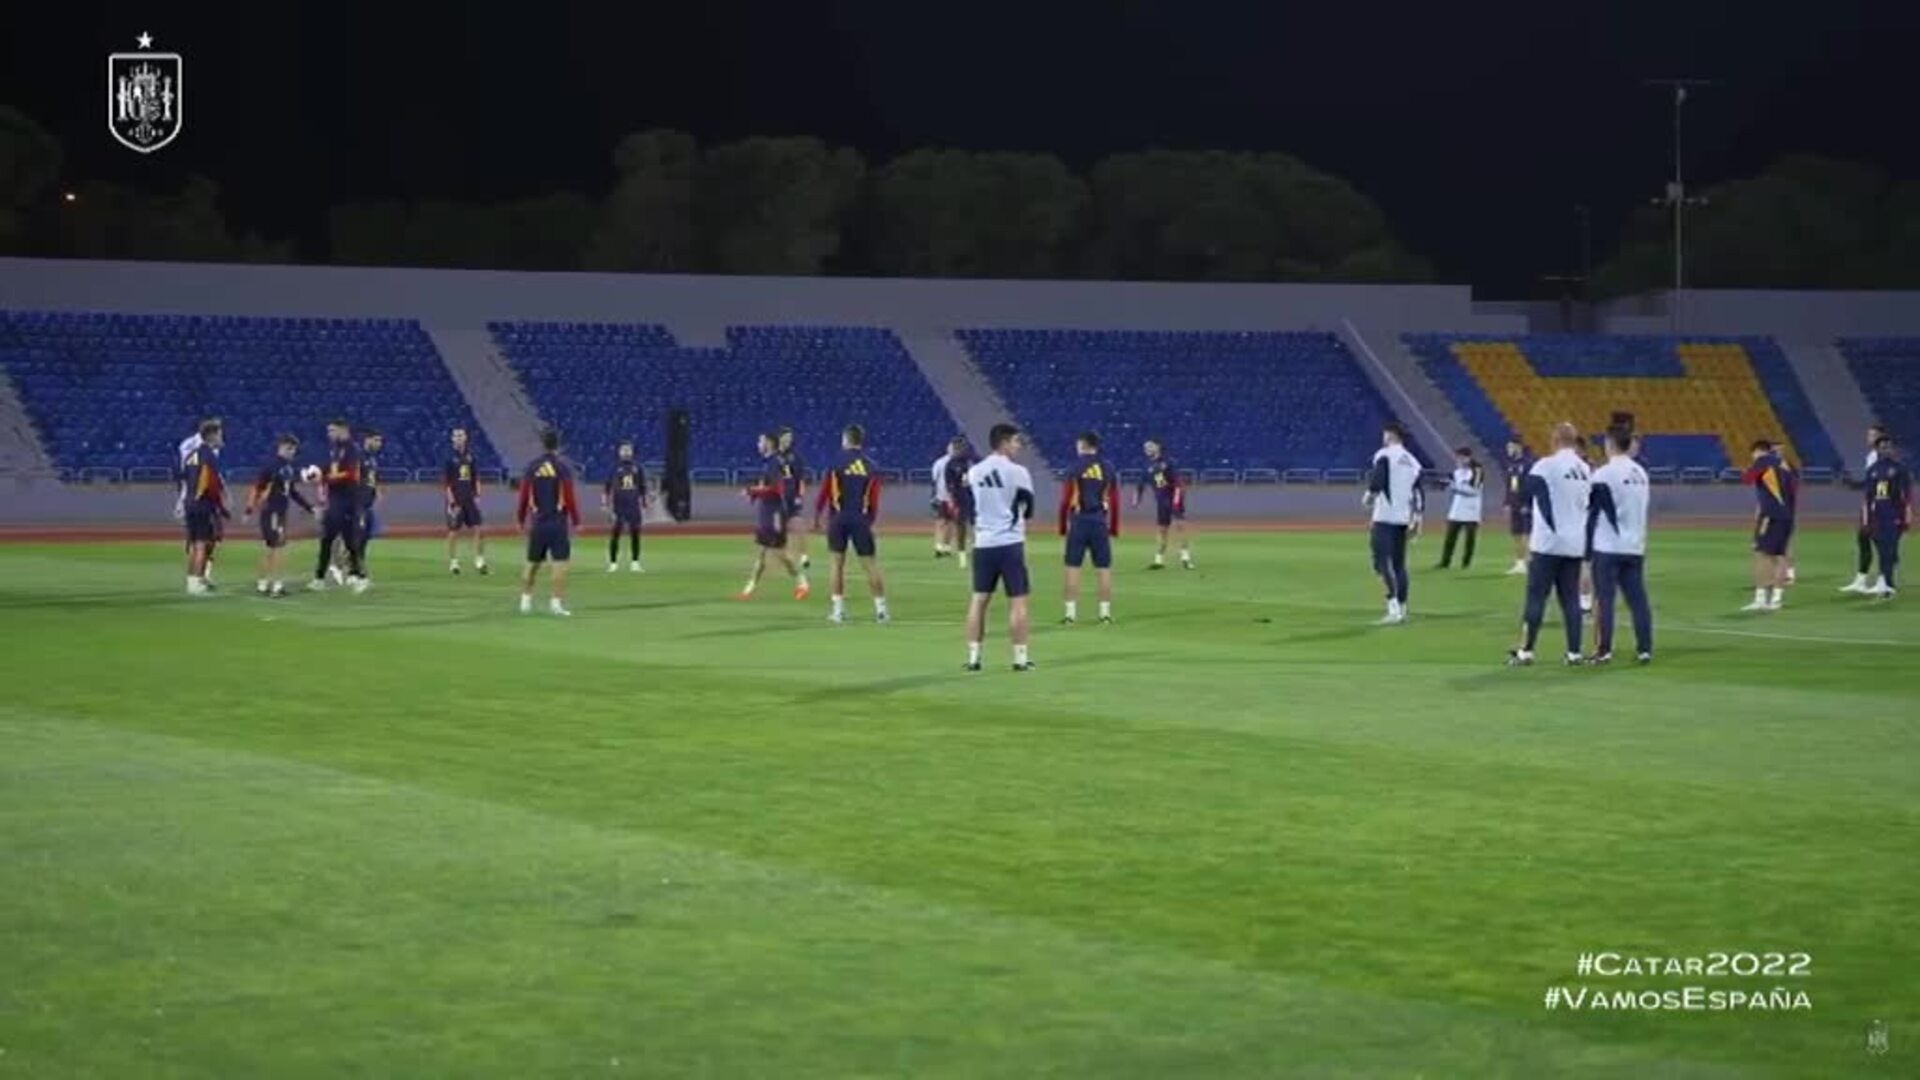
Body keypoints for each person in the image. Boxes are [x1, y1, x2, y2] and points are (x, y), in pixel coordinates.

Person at [1507, 422, 1592, 666]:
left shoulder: (1545, 466)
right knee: (1571, 600)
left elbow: (1524, 493)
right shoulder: (1584, 469)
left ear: (1554, 440)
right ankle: (1574, 653)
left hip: (1547, 544)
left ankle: (1526, 651)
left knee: (1536, 598)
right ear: (1575, 441)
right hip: (1574, 544)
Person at [965, 423, 1037, 672]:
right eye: (1015, 442)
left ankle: (974, 658)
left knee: (978, 600)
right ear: (1004, 442)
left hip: (984, 543)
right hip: (1010, 543)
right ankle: (1019, 658)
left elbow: (969, 506)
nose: (1018, 446)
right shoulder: (1019, 472)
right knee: (1018, 601)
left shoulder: (974, 472)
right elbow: (1029, 509)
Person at [1586, 426, 1653, 663]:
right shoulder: (1641, 473)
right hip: (1635, 546)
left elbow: (1591, 510)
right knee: (1638, 600)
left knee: (1604, 600)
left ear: (1610, 443)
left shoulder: (1604, 474)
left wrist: (1584, 549)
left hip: (1608, 546)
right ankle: (1645, 648)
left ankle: (1604, 650)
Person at [814, 424, 889, 624]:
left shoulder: (835, 463)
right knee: (870, 565)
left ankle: (839, 611)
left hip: (838, 518)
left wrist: (817, 515)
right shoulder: (871, 466)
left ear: (845, 439)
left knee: (837, 565)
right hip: (860, 519)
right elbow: (874, 498)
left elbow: (825, 492)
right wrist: (870, 519)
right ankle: (881, 611)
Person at [516, 427, 580, 616]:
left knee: (532, 563)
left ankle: (525, 601)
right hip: (557, 522)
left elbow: (524, 496)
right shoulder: (562, 468)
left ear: (542, 444)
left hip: (538, 522)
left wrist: (520, 519)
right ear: (558, 445)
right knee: (560, 563)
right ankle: (556, 603)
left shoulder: (532, 467)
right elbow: (569, 496)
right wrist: (576, 520)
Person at [1059, 431, 1120, 625]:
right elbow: (1115, 500)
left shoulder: (1074, 467)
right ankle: (1105, 614)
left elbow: (1066, 500)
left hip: (1078, 521)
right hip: (1099, 521)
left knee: (1073, 567)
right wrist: (1114, 527)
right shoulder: (1108, 468)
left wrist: (1062, 526)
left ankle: (1070, 614)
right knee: (1103, 568)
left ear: (1083, 445)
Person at [740, 432, 810, 600]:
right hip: (767, 511)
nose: (758, 444)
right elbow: (768, 487)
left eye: (760, 441)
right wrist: (755, 494)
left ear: (769, 444)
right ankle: (749, 588)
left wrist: (753, 490)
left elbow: (777, 488)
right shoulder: (770, 462)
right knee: (763, 552)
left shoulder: (773, 463)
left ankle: (802, 583)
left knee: (779, 552)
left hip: (775, 513)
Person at [244, 434, 315, 598]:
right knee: (278, 547)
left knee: (272, 548)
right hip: (272, 511)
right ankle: (276, 585)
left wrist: (309, 508)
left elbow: (292, 492)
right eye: (289, 448)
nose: (291, 452)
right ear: (281, 447)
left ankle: (263, 584)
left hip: (280, 511)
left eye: (293, 450)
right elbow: (258, 488)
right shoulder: (271, 466)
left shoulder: (288, 468)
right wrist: (250, 508)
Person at [1364, 422, 1421, 624]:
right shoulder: (1413, 462)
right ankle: (1403, 607)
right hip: (1403, 518)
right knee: (1399, 564)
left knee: (1381, 562)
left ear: (1390, 435)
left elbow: (1378, 479)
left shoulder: (1385, 455)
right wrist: (1417, 520)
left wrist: (1369, 497)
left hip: (1384, 516)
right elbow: (1418, 494)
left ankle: (1393, 607)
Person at [310, 419, 367, 593]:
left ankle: (358, 576)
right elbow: (329, 469)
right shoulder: (334, 450)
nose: (330, 434)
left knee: (350, 541)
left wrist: (325, 478)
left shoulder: (352, 450)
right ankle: (319, 578)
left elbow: (350, 474)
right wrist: (316, 473)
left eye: (333, 430)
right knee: (326, 539)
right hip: (334, 500)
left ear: (344, 430)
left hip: (348, 500)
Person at [1743, 439, 1797, 612]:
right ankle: (1776, 600)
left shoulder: (1763, 462)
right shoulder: (1785, 466)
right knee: (1780, 556)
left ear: (1757, 451)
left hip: (1770, 516)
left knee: (1761, 554)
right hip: (1787, 516)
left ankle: (1760, 599)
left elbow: (1747, 478)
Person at [179, 421, 228, 596]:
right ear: (212, 436)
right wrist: (221, 507)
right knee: (202, 543)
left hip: (189, 502)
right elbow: (210, 484)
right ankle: (197, 583)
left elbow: (183, 478)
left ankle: (191, 581)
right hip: (202, 504)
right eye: (220, 434)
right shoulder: (209, 456)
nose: (222, 438)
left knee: (194, 544)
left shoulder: (191, 455)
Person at [1860, 433, 1910, 599]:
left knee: (1891, 550)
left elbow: (1906, 496)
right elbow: (1867, 498)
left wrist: (1907, 516)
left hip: (1894, 514)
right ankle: (1886, 584)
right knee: (1883, 550)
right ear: (1877, 449)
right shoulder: (1872, 470)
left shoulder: (1899, 469)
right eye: (1882, 447)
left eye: (1888, 446)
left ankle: (1887, 583)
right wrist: (1866, 520)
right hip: (1878, 515)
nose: (1886, 450)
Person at [1842, 424, 1890, 593]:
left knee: (1880, 542)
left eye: (1871, 435)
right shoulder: (1872, 455)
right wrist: (1855, 484)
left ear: (1879, 438)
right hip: (1870, 503)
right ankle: (1861, 581)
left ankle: (1884, 581)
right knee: (1863, 538)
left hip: (1879, 505)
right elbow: (1871, 481)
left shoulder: (1882, 457)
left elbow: (1883, 481)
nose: (1868, 438)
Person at [1135, 439, 1193, 570]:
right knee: (1162, 530)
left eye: (1150, 446)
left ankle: (1186, 558)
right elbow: (1140, 484)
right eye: (1145, 447)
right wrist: (1137, 498)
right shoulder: (1147, 466)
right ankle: (1159, 560)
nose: (1147, 449)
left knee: (1180, 526)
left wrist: (1177, 499)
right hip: (1161, 502)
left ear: (1158, 447)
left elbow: (1178, 482)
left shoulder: (1168, 462)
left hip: (1173, 499)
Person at [444, 426, 489, 575]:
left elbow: (476, 478)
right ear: (452, 439)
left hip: (470, 498)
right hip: (457, 499)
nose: (458, 438)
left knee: (477, 528)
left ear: (466, 438)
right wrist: (452, 503)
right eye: (456, 436)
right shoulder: (448, 457)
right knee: (453, 531)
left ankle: (479, 560)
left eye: (461, 435)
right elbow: (447, 483)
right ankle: (453, 562)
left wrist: (478, 496)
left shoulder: (471, 457)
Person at [603, 439, 650, 573]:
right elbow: (607, 487)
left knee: (635, 533)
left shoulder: (637, 467)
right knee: (615, 533)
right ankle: (613, 563)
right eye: (623, 450)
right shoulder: (614, 468)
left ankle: (635, 562)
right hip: (619, 505)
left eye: (628, 450)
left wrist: (645, 503)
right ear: (619, 452)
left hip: (633, 505)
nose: (626, 452)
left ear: (632, 452)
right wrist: (605, 503)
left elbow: (642, 487)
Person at [1435, 446, 1483, 569]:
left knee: (1469, 540)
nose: (1459, 460)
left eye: (1462, 458)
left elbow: (1474, 491)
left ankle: (1466, 563)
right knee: (1450, 538)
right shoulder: (1456, 473)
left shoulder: (1476, 471)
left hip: (1471, 510)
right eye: (1458, 458)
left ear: (1468, 458)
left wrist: (1454, 486)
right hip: (1456, 509)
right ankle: (1445, 561)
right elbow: (1449, 484)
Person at [776, 427, 812, 572]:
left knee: (798, 526)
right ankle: (786, 557)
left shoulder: (795, 457)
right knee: (779, 530)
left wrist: (799, 496)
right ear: (780, 438)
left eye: (790, 438)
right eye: (786, 437)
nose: (789, 440)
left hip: (791, 496)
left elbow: (800, 479)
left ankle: (803, 556)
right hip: (778, 498)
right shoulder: (774, 457)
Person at [942, 437, 977, 570]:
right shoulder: (951, 464)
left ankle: (977, 549)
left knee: (976, 524)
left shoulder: (973, 461)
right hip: (960, 498)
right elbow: (949, 484)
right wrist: (951, 500)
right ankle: (962, 554)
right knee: (961, 525)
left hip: (975, 496)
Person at [1502, 436, 1533, 575]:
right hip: (1515, 503)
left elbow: (1529, 485)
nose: (1508, 450)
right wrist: (1507, 502)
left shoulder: (1528, 464)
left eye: (1510, 447)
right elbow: (1510, 486)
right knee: (1516, 533)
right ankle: (1519, 562)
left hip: (1525, 504)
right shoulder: (1510, 465)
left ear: (1518, 447)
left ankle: (1528, 561)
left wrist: (1527, 502)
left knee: (1527, 533)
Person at [931, 443, 955, 557]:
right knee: (941, 521)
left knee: (951, 522)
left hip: (955, 498)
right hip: (942, 496)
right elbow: (935, 479)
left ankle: (946, 546)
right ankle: (938, 546)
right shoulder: (940, 463)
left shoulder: (961, 463)